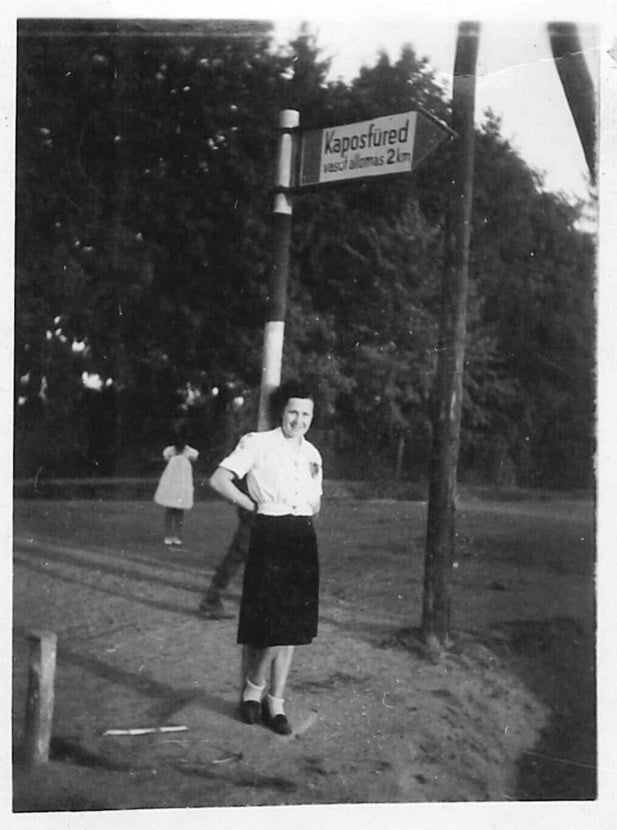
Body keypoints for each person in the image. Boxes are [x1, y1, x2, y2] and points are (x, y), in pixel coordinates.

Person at [208, 380, 322, 735]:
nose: (298, 420)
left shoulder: (313, 454)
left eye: (305, 414)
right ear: (281, 412)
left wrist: (302, 516)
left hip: (301, 536)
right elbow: (219, 479)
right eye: (293, 412)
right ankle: (255, 689)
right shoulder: (258, 443)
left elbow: (315, 500)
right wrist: (252, 506)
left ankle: (275, 702)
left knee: (292, 627)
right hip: (269, 532)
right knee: (273, 623)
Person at [153, 423, 199, 546]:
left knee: (179, 510)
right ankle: (168, 535)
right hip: (171, 482)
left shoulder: (191, 452)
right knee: (169, 509)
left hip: (183, 483)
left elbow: (191, 464)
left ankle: (176, 535)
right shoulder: (169, 451)